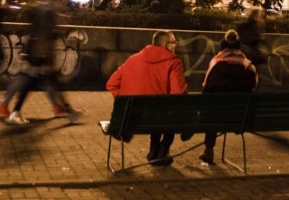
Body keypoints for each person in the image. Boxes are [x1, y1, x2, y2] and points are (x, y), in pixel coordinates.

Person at [106, 30, 188, 166]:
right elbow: (177, 94)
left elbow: (111, 83)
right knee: (170, 109)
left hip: (133, 118)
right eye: (174, 42)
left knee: (159, 110)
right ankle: (163, 149)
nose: (175, 46)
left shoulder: (133, 59)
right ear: (165, 44)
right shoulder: (174, 62)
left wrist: (123, 100)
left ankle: (153, 150)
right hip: (159, 117)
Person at [0, 0, 76, 124]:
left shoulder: (41, 10)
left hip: (36, 53)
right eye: (60, 1)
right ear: (55, 0)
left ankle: (62, 109)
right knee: (35, 82)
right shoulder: (48, 13)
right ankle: (64, 109)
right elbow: (46, 34)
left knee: (41, 82)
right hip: (40, 54)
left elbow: (37, 31)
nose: (61, 4)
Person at [199, 29, 258, 164]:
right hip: (241, 118)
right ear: (238, 46)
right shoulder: (249, 67)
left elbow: (206, 91)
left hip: (216, 117)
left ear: (223, 45)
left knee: (211, 109)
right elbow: (253, 90)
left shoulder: (215, 64)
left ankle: (209, 149)